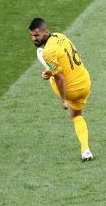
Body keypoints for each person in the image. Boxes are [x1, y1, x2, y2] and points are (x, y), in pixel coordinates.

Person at [29, 18, 93, 161]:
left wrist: (63, 99)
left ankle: (47, 66)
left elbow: (60, 79)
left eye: (37, 35)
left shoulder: (48, 51)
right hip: (85, 83)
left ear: (46, 32)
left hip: (70, 90)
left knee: (53, 75)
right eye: (32, 36)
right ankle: (85, 150)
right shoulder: (61, 36)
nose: (34, 38)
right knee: (76, 115)